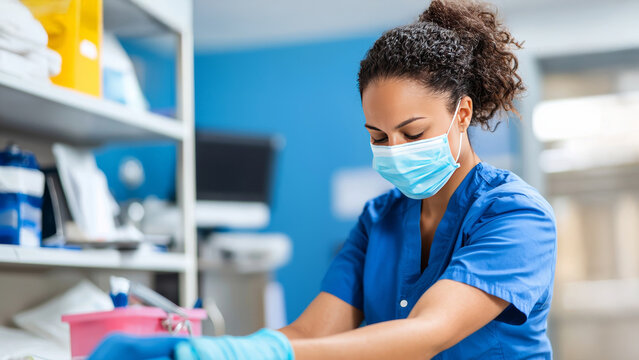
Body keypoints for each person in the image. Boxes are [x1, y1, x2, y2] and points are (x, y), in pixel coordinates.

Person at [89, 0, 556, 359]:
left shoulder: (516, 216)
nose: (395, 151)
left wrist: (267, 354)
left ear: (463, 113)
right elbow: (310, 334)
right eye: (378, 137)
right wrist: (228, 349)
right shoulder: (380, 219)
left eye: (413, 133)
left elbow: (426, 334)